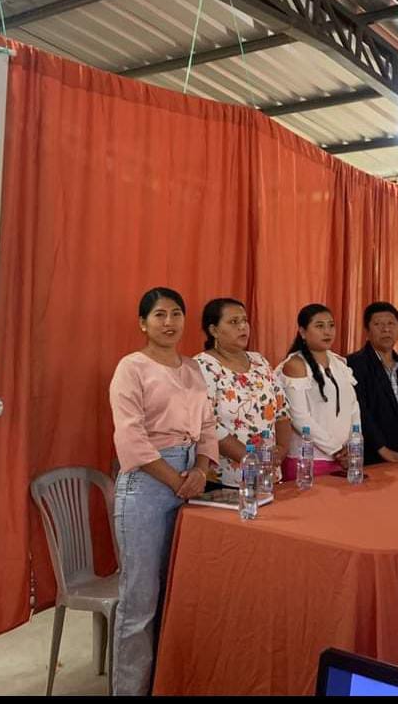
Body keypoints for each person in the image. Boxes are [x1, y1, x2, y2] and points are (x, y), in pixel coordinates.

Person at [108, 287, 217, 696]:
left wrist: (201, 470)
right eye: (159, 315)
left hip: (190, 478)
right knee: (140, 601)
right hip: (148, 485)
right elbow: (131, 438)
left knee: (179, 595)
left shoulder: (192, 369)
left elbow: (208, 427)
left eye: (176, 314)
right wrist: (177, 481)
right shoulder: (131, 368)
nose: (169, 323)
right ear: (143, 323)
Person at [195, 297, 291, 488]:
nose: (242, 327)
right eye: (233, 322)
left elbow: (282, 410)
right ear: (214, 330)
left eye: (244, 320)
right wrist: (251, 459)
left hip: (268, 475)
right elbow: (207, 424)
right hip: (227, 479)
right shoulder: (202, 365)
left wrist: (280, 449)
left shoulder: (259, 361)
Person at [275, 303, 362, 481]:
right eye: (319, 326)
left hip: (344, 459)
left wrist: (354, 444)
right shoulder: (295, 365)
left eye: (331, 325)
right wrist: (335, 449)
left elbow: (353, 407)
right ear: (303, 332)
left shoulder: (339, 363)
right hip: (308, 459)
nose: (327, 331)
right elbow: (299, 417)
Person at [346, 301, 398, 464]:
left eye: (391, 323)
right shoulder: (354, 364)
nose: (386, 329)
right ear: (367, 331)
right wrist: (382, 448)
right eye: (378, 324)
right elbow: (360, 411)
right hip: (372, 457)